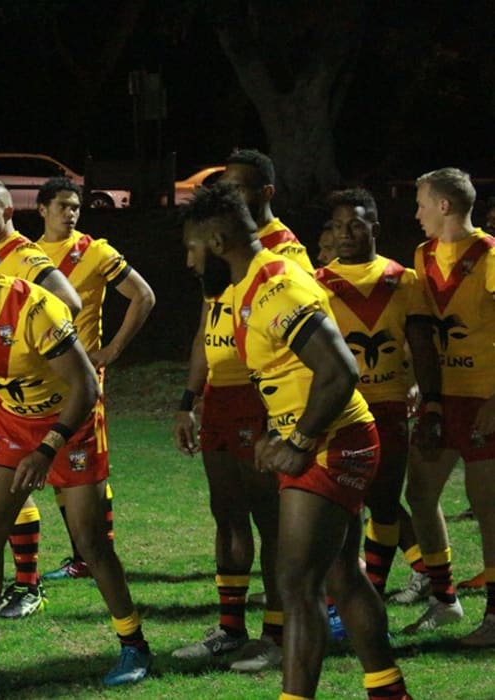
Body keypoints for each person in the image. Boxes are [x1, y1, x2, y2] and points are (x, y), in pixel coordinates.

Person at [182, 183, 411, 700]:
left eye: (192, 249)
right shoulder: (242, 289)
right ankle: (390, 691)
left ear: (217, 240)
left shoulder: (277, 289)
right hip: (324, 437)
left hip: (336, 440)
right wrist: (276, 430)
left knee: (296, 584)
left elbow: (340, 370)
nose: (189, 262)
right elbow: (288, 376)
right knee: (340, 578)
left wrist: (300, 438)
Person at [0, 227, 151, 695]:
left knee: (90, 541)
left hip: (71, 423)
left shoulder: (33, 308)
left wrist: (48, 448)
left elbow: (86, 387)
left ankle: (134, 645)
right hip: (13, 424)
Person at [170, 148, 312, 671]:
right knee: (225, 511)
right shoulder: (216, 248)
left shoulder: (281, 255)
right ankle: (231, 628)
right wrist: (189, 399)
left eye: (240, 188)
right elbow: (208, 324)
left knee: (270, 518)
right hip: (222, 399)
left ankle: (277, 634)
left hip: (262, 396)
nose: (230, 197)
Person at [0, 175, 82, 618]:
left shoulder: (25, 257)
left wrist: (29, 350)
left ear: (8, 213)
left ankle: (28, 584)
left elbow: (70, 303)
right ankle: (20, 582)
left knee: (17, 488)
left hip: (23, 392)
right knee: (1, 496)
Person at [33, 177, 156, 580]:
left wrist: (112, 350)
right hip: (43, 381)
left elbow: (143, 295)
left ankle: (96, 553)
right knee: (57, 468)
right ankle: (81, 555)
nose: (70, 214)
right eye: (63, 206)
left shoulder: (95, 251)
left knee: (89, 468)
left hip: (83, 380)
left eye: (75, 207)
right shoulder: (28, 255)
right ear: (42, 209)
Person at [316, 188, 426, 598]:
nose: (345, 234)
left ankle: (373, 589)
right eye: (338, 226)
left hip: (390, 405)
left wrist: (420, 387)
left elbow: (419, 344)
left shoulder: (404, 280)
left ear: (374, 228)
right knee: (340, 502)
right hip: (341, 411)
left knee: (384, 499)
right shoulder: (317, 284)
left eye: (355, 225)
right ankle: (346, 587)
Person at [403, 167, 495, 645]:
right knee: (419, 493)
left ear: (444, 206)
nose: (415, 213)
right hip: (442, 398)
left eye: (421, 203)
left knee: (488, 508)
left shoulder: (490, 255)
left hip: (483, 398)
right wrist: (422, 383)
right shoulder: (422, 255)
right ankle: (445, 599)